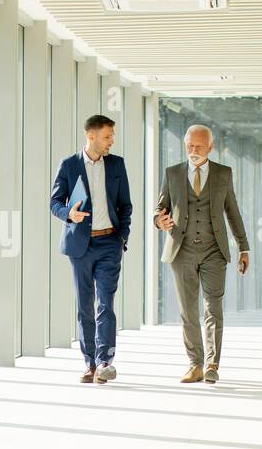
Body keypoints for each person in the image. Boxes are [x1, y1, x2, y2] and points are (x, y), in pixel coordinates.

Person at [154, 124, 249, 384]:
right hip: (181, 250)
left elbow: (233, 212)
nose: (193, 151)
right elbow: (160, 208)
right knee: (188, 311)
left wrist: (243, 246)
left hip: (214, 251)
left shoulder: (223, 174)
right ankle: (194, 363)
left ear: (210, 147)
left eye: (198, 146)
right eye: (189, 146)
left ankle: (212, 364)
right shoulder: (172, 173)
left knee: (213, 307)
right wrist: (158, 220)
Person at [50, 114, 133, 384]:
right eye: (107, 136)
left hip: (110, 242)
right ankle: (90, 364)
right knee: (85, 306)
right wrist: (68, 215)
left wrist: (122, 237)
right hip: (80, 246)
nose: (111, 141)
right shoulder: (69, 165)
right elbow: (55, 202)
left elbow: (125, 206)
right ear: (91, 136)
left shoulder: (117, 164)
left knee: (105, 304)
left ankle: (104, 361)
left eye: (112, 136)